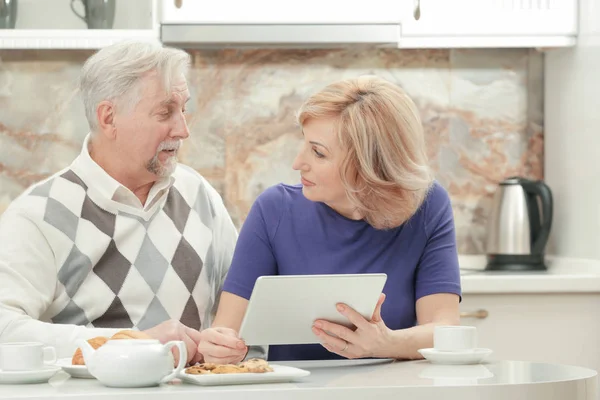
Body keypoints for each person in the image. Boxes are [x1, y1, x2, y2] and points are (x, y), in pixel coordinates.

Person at [0, 40, 240, 364]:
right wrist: (131, 343)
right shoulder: (37, 215)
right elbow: (5, 329)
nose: (183, 129)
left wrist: (229, 342)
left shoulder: (198, 193)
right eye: (165, 112)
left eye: (183, 109)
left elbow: (244, 297)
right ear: (109, 118)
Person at [197, 76, 461, 363]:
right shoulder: (274, 211)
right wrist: (219, 348)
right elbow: (226, 330)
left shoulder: (426, 205)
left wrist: (385, 344)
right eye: (304, 144)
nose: (298, 163)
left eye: (319, 152)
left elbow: (445, 331)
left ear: (370, 167)